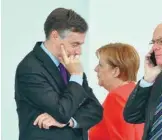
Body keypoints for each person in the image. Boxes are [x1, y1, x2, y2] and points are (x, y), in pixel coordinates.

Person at [15, 8, 103, 140]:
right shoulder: (29, 69)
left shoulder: (71, 65)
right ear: (55, 36)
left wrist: (70, 121)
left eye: (81, 45)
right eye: (75, 44)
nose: (79, 51)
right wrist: (76, 77)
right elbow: (61, 112)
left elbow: (95, 110)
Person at [88, 43, 144, 140]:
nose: (96, 69)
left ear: (115, 71)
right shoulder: (136, 93)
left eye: (100, 65)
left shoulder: (116, 97)